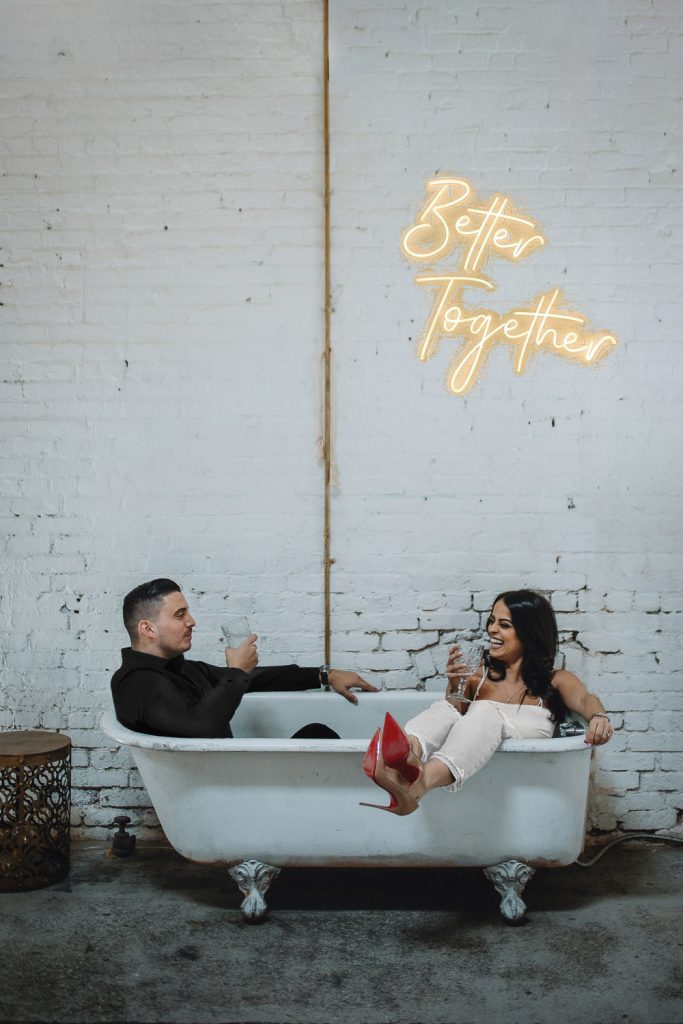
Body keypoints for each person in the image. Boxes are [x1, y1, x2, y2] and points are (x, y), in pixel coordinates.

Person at [361, 589, 613, 815]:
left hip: (523, 775)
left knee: (486, 712)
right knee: (447, 709)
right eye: (492, 621)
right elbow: (455, 712)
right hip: (475, 750)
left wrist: (599, 717)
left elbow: (585, 699)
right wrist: (455, 684)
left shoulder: (556, 679)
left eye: (504, 624)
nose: (492, 630)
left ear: (529, 634)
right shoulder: (477, 675)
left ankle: (421, 782)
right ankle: (408, 753)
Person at [111, 578, 377, 737]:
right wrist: (236, 671)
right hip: (213, 791)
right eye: (180, 615)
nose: (192, 621)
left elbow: (255, 679)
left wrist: (324, 675)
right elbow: (203, 725)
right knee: (318, 736)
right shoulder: (138, 684)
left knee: (316, 733)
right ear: (148, 629)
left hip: (229, 781)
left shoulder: (179, 670)